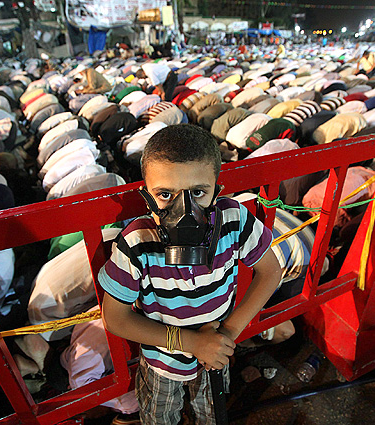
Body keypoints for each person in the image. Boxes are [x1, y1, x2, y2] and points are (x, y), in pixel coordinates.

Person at [99, 124, 282, 424]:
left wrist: (227, 335)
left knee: (212, 415)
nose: (184, 210)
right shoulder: (137, 242)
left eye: (198, 192)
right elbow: (115, 318)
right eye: (165, 194)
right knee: (159, 417)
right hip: (161, 363)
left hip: (214, 357)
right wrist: (193, 343)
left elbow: (270, 271)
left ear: (217, 191)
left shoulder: (234, 219)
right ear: (146, 196)